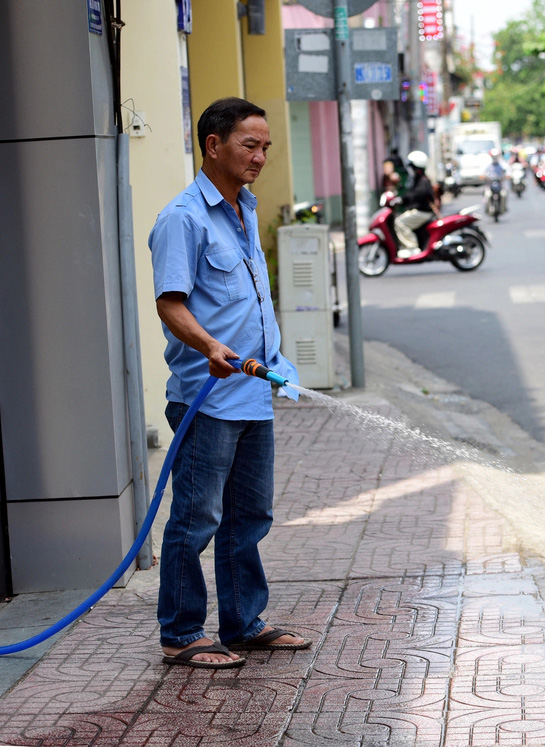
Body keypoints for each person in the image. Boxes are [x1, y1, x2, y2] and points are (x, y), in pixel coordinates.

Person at [148, 97, 310, 669]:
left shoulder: (245, 211)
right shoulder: (183, 218)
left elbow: (251, 301)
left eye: (266, 146)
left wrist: (278, 357)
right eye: (250, 144)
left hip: (252, 396)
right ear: (213, 145)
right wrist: (211, 346)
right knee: (196, 520)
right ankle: (182, 633)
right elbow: (171, 303)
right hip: (207, 398)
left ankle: (242, 624)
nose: (261, 156)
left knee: (250, 518)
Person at [393, 150, 436, 258]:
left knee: (400, 222)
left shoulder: (423, 181)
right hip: (419, 211)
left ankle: (412, 247)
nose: (410, 169)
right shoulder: (417, 179)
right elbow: (410, 193)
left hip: (422, 212)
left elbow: (415, 194)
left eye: (412, 167)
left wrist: (403, 199)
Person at [483, 148, 508, 215]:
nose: (495, 158)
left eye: (496, 156)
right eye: (493, 156)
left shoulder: (502, 164)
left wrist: (504, 177)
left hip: (500, 184)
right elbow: (482, 174)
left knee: (504, 194)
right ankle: (487, 208)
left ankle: (503, 208)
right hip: (489, 184)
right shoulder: (487, 164)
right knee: (487, 195)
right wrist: (486, 177)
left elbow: (508, 173)